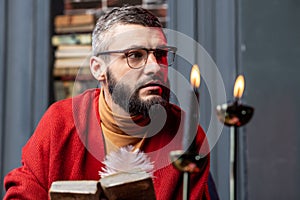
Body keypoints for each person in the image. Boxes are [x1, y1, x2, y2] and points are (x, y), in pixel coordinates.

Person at [4, 6, 212, 199]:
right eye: (135, 55)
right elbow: (23, 191)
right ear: (98, 69)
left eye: (160, 55)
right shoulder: (60, 121)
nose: (154, 68)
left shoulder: (186, 133)